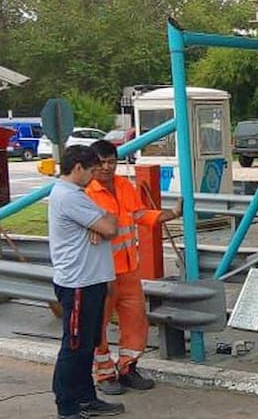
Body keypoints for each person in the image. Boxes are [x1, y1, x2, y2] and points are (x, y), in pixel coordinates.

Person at [86, 140, 183, 395]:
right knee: (98, 325)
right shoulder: (85, 192)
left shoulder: (123, 186)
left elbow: (139, 215)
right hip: (101, 272)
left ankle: (128, 367)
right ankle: (104, 374)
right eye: (101, 163)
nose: (106, 167)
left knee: (135, 320)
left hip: (129, 269)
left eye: (111, 162)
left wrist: (170, 214)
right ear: (91, 164)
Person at [48, 145, 124, 419]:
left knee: (86, 345)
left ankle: (85, 397)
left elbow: (111, 217)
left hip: (90, 280)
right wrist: (102, 225)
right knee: (75, 346)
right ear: (78, 168)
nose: (95, 175)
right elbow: (111, 227)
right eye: (92, 170)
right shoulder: (69, 196)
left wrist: (102, 224)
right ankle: (67, 405)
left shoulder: (76, 194)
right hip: (78, 282)